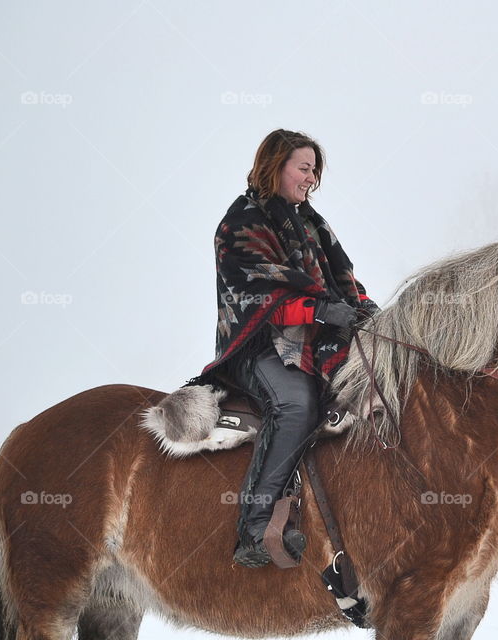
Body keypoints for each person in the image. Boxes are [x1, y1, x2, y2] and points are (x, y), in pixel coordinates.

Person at [187, 129, 379, 567]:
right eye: (304, 168)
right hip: (256, 347)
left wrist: (365, 308)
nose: (311, 179)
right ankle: (255, 527)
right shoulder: (240, 225)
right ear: (276, 167)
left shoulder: (312, 224)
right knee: (296, 404)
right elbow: (257, 297)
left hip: (312, 341)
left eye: (315, 171)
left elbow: (341, 284)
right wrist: (318, 312)